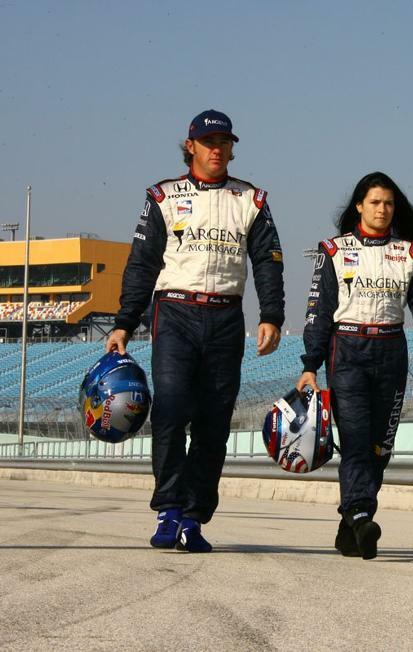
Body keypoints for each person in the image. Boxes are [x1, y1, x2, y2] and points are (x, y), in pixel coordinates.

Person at [106, 109, 285, 553]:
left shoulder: (252, 199)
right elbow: (142, 263)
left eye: (224, 143)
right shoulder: (163, 196)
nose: (217, 150)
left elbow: (267, 260)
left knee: (213, 424)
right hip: (175, 312)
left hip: (226, 317)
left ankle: (193, 517)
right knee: (170, 409)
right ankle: (168, 509)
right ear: (191, 147)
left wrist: (272, 316)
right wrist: (125, 322)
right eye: (209, 143)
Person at [297, 172, 413, 560]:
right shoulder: (334, 250)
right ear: (359, 206)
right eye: (375, 202)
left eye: (389, 203)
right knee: (357, 442)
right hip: (346, 349)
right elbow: (319, 311)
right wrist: (311, 363)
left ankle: (351, 521)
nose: (382, 209)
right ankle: (364, 514)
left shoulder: (409, 252)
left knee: (380, 447)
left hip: (391, 350)